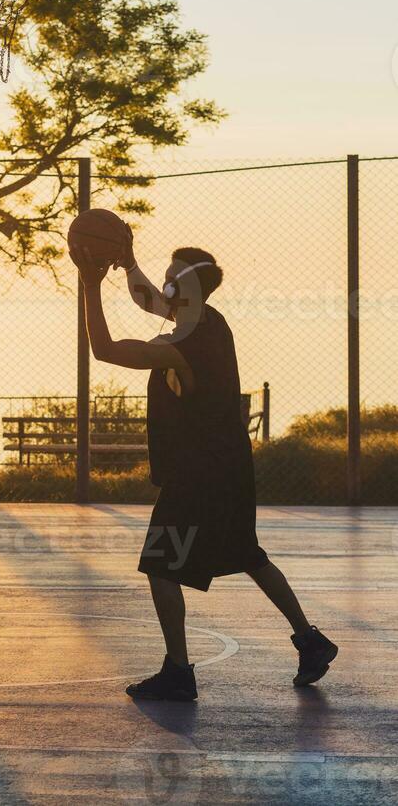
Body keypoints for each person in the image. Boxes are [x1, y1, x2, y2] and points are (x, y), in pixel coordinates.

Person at [69, 226, 338, 702]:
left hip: (199, 477)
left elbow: (105, 350)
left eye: (170, 280)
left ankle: (178, 672)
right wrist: (127, 262)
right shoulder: (207, 320)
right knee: (248, 555)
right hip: (229, 469)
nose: (162, 289)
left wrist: (90, 285)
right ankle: (311, 641)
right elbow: (149, 298)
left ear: (184, 291)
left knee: (161, 565)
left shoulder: (184, 345)